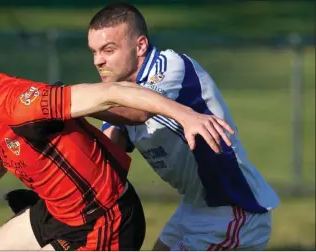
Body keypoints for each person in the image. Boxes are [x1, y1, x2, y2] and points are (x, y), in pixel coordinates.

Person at [0, 36, 233, 251]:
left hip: (105, 218)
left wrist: (187, 115)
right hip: (57, 212)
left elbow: (112, 93)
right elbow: (10, 149)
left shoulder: (20, 104)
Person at [87, 3, 280, 251]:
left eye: (108, 50)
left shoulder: (169, 66)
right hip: (194, 207)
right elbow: (109, 153)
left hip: (233, 211)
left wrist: (68, 102)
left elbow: (139, 111)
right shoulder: (118, 97)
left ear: (141, 45)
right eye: (94, 52)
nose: (98, 61)